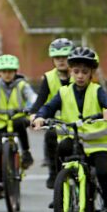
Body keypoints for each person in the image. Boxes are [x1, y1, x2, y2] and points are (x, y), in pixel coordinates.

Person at [31, 46, 107, 212]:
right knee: (59, 151)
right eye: (76, 71)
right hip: (73, 140)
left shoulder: (97, 90)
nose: (80, 75)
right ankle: (63, 193)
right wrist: (40, 116)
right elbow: (48, 107)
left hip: (97, 143)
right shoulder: (64, 92)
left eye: (85, 72)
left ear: (91, 74)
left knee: (103, 173)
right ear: (71, 72)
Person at [0, 54, 36, 200]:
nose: (7, 74)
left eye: (10, 71)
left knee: (20, 125)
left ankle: (26, 152)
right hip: (0, 121)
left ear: (15, 72)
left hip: (17, 118)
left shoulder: (22, 84)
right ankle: (0, 183)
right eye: (4, 71)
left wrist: (34, 108)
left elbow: (32, 97)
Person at [27, 38, 76, 187]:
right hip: (57, 122)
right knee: (50, 136)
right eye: (57, 58)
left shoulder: (80, 74)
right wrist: (34, 114)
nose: (61, 61)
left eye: (65, 57)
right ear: (53, 59)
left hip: (78, 121)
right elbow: (41, 99)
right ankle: (54, 175)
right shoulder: (49, 77)